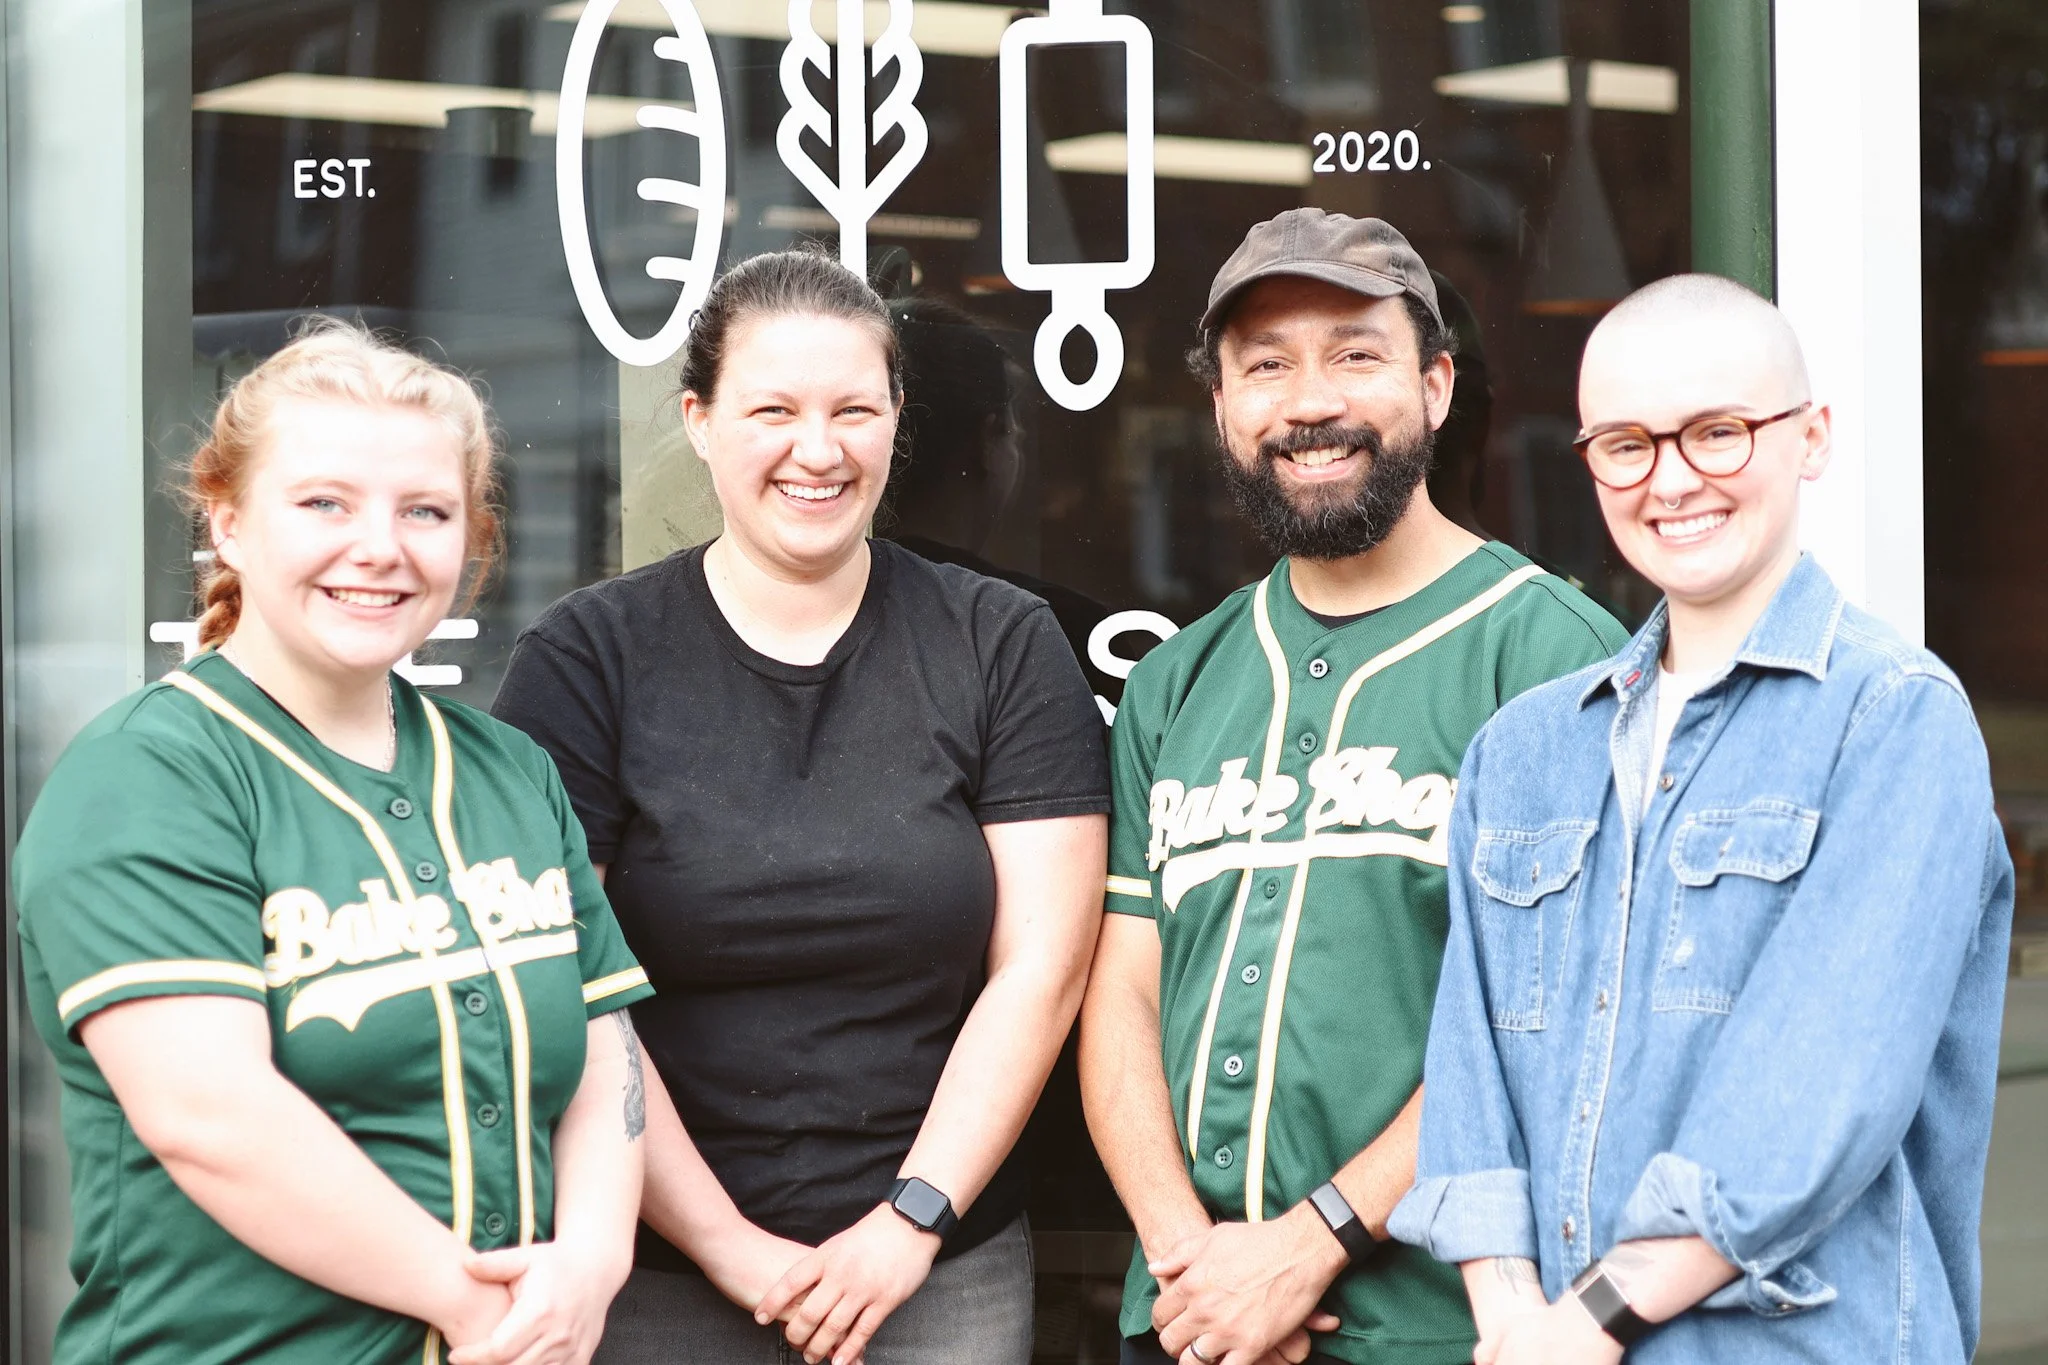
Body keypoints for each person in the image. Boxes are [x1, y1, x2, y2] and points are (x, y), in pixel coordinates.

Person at [490, 250, 1110, 1365]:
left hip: (942, 1274)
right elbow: (561, 986)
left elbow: (1043, 969)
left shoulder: (999, 641)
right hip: (656, 1277)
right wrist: (725, 1246)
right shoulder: (588, 659)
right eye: (772, 410)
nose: (816, 450)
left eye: (852, 410)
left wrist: (911, 1220)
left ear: (896, 420)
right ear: (699, 419)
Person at [1389, 275, 2014, 1364]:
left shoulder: (1894, 719)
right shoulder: (1521, 752)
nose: (1671, 480)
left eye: (1718, 432)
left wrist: (1581, 1326)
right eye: (1626, 444)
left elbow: (1815, 1098)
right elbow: (1470, 1089)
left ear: (1810, 437)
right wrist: (1515, 1325)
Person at [11, 320, 653, 1365]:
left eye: (425, 511)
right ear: (226, 521)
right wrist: (486, 1312)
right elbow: (210, 1118)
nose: (381, 547)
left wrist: (589, 1264)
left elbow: (603, 1051)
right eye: (324, 503)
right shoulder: (145, 775)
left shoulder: (510, 769)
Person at [1079, 207, 1628, 1365]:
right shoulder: (1176, 681)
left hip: (1433, 1330)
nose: (1308, 401)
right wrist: (1189, 1262)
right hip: (1184, 1324)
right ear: (1220, 406)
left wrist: (1304, 1247)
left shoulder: (1549, 655)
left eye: (1353, 354)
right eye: (1264, 366)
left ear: (1434, 385)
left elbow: (1554, 1022)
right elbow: (1120, 992)